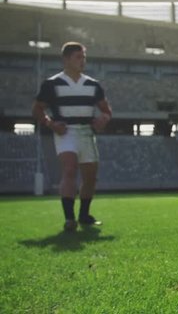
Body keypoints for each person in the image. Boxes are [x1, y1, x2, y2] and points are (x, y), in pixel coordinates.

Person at [32, 42, 112, 232]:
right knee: (69, 169)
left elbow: (106, 110)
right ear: (66, 59)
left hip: (86, 133)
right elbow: (37, 109)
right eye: (78, 57)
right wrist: (51, 123)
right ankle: (70, 218)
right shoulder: (52, 83)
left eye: (84, 57)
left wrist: (104, 119)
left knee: (90, 177)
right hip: (66, 132)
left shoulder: (93, 84)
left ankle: (84, 215)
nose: (82, 61)